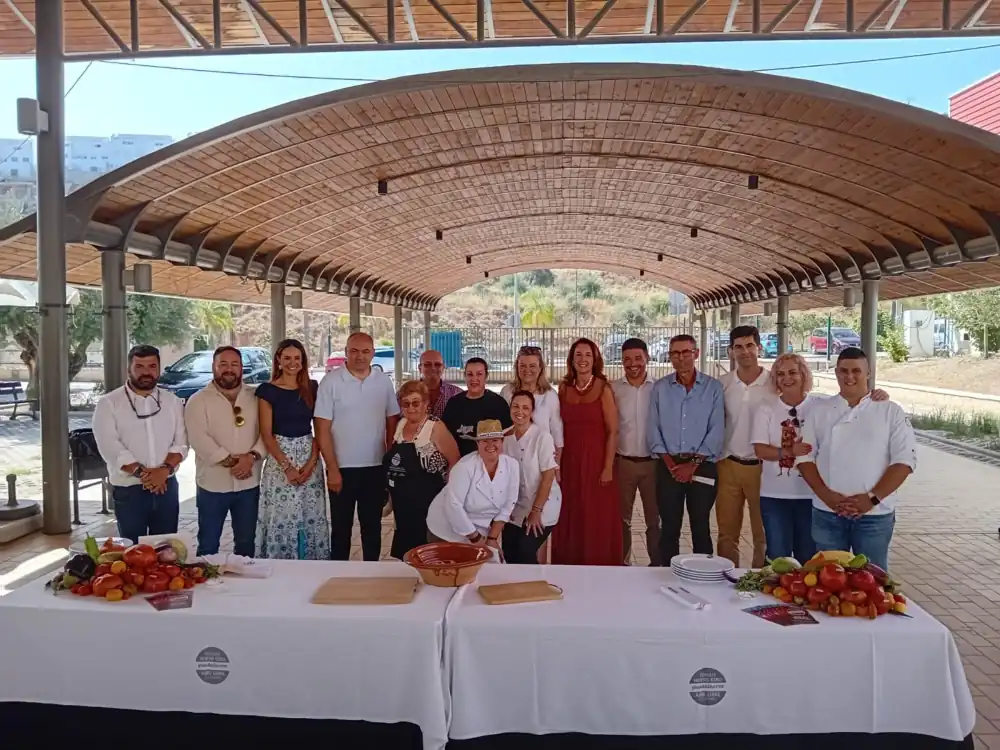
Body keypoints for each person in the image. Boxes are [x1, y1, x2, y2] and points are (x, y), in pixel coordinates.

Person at [751, 353, 892, 563]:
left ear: (803, 375)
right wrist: (789, 452)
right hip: (775, 494)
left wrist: (877, 395)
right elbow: (760, 450)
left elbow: (852, 402)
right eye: (780, 374)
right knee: (777, 555)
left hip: (812, 497)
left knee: (809, 557)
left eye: (792, 372)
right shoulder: (766, 408)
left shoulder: (821, 404)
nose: (787, 378)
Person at [796, 347, 916, 570]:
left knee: (872, 579)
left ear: (868, 373)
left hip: (875, 515)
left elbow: (904, 462)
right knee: (827, 579)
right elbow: (804, 458)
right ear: (836, 372)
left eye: (856, 371)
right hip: (827, 512)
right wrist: (827, 497)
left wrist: (871, 499)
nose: (849, 377)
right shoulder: (819, 411)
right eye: (843, 371)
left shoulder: (890, 411)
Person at [316, 331, 400, 561]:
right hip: (341, 469)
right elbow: (321, 429)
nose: (359, 356)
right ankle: (338, 575)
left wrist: (388, 461)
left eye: (365, 351)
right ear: (346, 353)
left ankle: (372, 575)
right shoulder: (331, 382)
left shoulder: (383, 381)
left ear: (373, 353)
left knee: (372, 528)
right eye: (354, 351)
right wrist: (332, 468)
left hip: (375, 468)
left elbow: (391, 423)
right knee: (341, 529)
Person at [93, 345, 187, 544]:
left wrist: (163, 471)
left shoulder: (172, 402)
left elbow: (182, 443)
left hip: (166, 487)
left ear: (159, 369)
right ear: (129, 369)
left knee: (166, 549)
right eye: (140, 366)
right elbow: (110, 447)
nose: (146, 372)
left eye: (152, 366)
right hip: (129, 490)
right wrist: (145, 475)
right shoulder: (108, 403)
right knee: (132, 551)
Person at [648, 334, 725, 565]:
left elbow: (717, 430)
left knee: (700, 525)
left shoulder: (713, 388)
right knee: (669, 526)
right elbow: (653, 429)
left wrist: (692, 465)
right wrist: (672, 466)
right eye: (675, 353)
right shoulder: (660, 388)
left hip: (702, 466)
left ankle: (703, 573)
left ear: (696, 354)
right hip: (668, 466)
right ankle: (668, 574)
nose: (680, 358)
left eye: (685, 352)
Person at [185, 346, 266, 557]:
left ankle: (245, 579)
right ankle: (208, 578)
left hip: (249, 483)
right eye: (223, 364)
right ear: (214, 367)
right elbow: (198, 438)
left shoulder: (257, 396)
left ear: (241, 367)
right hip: (212, 485)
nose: (229, 369)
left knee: (246, 543)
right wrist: (233, 462)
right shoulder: (198, 400)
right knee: (208, 544)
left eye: (234, 364)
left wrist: (251, 458)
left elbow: (267, 433)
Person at [255, 339, 329, 560]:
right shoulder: (267, 391)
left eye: (297, 358)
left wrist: (311, 463)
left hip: (308, 455)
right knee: (282, 516)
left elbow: (318, 428)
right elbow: (266, 434)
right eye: (287, 358)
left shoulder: (312, 388)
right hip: (280, 459)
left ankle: (312, 563)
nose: (292, 363)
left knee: (311, 514)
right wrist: (287, 467)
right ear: (278, 360)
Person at [550, 337, 621, 566]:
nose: (583, 359)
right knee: (571, 513)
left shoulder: (603, 388)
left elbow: (613, 431)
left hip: (596, 462)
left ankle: (598, 567)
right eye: (578, 355)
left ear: (595, 359)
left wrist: (608, 467)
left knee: (595, 515)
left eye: (588, 355)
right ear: (571, 359)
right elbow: (557, 427)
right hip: (570, 462)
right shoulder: (563, 388)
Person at [384, 380, 461, 560]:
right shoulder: (401, 425)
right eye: (406, 404)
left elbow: (454, 460)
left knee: (429, 552)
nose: (411, 408)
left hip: (430, 500)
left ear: (426, 404)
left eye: (416, 403)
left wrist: (449, 495)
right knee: (407, 552)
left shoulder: (435, 426)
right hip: (403, 502)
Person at [425, 419, 519, 562]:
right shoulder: (464, 467)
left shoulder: (512, 465)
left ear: (502, 442)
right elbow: (454, 506)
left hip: (480, 529)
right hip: (446, 529)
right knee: (451, 570)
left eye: (495, 440)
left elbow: (508, 504)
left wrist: (492, 539)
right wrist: (476, 539)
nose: (490, 445)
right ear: (477, 444)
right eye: (485, 441)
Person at [716, 325, 770, 568]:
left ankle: (760, 579)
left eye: (750, 345)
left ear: (759, 348)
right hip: (728, 465)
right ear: (731, 351)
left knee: (763, 532)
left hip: (763, 468)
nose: (745, 351)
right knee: (727, 532)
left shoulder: (775, 382)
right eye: (738, 347)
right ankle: (726, 577)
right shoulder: (723, 384)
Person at [610, 337, 661, 566]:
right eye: (627, 359)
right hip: (624, 463)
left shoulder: (659, 388)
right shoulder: (614, 389)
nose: (633, 364)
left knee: (655, 519)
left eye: (638, 358)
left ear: (647, 358)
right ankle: (623, 564)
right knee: (622, 519)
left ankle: (656, 565)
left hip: (654, 464)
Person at [502, 391, 562, 564]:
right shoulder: (504, 437)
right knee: (509, 552)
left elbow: (548, 476)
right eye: (515, 406)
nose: (520, 411)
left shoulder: (542, 437)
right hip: (516, 508)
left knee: (525, 551)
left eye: (525, 408)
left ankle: (537, 582)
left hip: (543, 505)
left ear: (532, 412)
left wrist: (536, 511)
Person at [500, 345, 564, 462]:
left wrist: (557, 464)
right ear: (517, 367)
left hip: (541, 459)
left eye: (532, 366)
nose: (527, 370)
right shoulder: (507, 392)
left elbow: (557, 430)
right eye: (523, 366)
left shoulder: (550, 395)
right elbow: (502, 427)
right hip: (511, 457)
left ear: (540, 368)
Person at [442, 357, 512, 457]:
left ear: (486, 376)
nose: (474, 379)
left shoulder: (498, 403)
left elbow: (508, 435)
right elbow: (445, 436)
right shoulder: (454, 403)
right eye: (470, 374)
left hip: (490, 461)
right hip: (460, 461)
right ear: (465, 376)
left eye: (479, 374)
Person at [408, 349, 463, 419]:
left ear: (443, 368)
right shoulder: (406, 393)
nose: (433, 368)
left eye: (437, 364)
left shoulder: (457, 393)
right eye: (427, 364)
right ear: (420, 368)